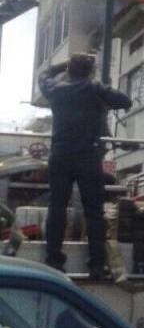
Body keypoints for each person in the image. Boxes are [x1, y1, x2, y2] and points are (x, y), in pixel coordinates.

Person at [38, 53, 132, 279]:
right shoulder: (95, 89)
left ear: (69, 70)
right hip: (88, 156)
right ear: (89, 72)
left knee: (57, 207)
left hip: (60, 155)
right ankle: (97, 265)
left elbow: (43, 76)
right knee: (94, 212)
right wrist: (98, 87)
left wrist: (60, 66)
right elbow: (125, 101)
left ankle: (53, 260)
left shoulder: (55, 90)